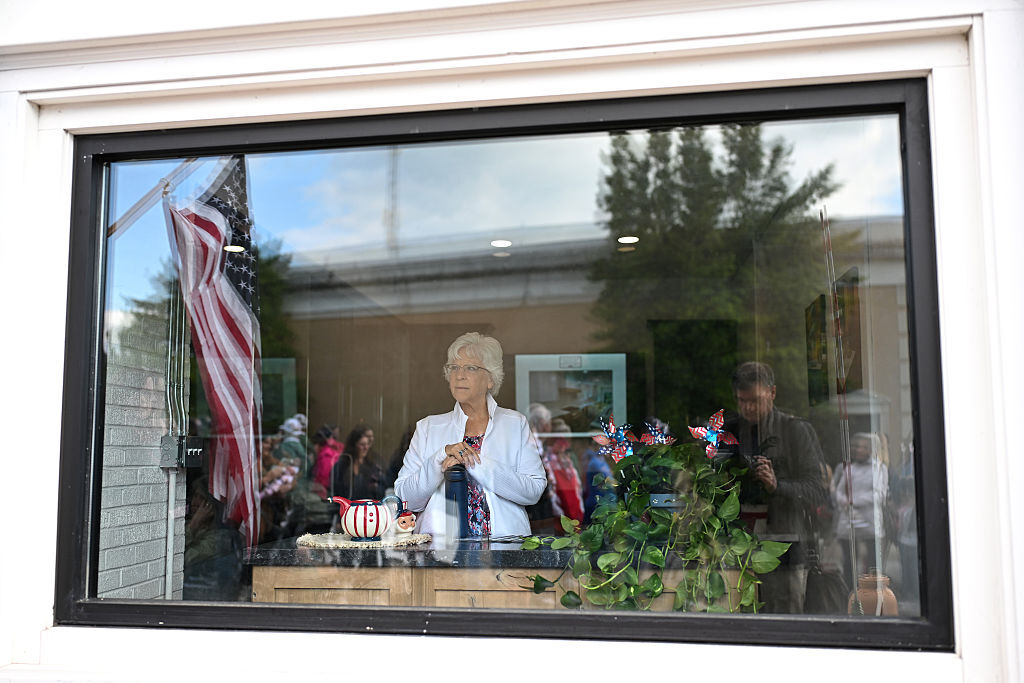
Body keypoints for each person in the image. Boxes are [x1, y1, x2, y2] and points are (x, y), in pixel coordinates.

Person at [395, 332, 546, 539]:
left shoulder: (515, 424)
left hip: (503, 548)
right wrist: (439, 459)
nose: (459, 375)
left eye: (471, 368)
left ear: (491, 379)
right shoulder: (429, 427)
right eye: (454, 368)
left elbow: (534, 491)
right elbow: (405, 499)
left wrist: (478, 464)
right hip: (440, 553)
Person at [723, 361, 828, 614]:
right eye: (742, 400)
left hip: (787, 544)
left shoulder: (796, 431)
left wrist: (777, 485)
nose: (748, 407)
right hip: (738, 544)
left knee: (785, 621)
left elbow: (817, 490)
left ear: (772, 393)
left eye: (755, 400)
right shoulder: (730, 431)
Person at [832, 432, 889, 587]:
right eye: (855, 446)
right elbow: (839, 491)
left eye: (862, 447)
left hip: (869, 522)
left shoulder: (879, 468)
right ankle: (851, 592)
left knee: (872, 562)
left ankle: (870, 593)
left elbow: (879, 494)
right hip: (848, 522)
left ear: (870, 449)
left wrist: (854, 501)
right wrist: (844, 501)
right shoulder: (849, 468)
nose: (858, 450)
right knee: (848, 562)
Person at [330, 424, 386, 502]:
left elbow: (381, 491)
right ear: (354, 446)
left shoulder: (374, 466)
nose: (366, 447)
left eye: (367, 444)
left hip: (369, 509)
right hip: (346, 509)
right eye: (362, 445)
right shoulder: (341, 466)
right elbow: (336, 492)